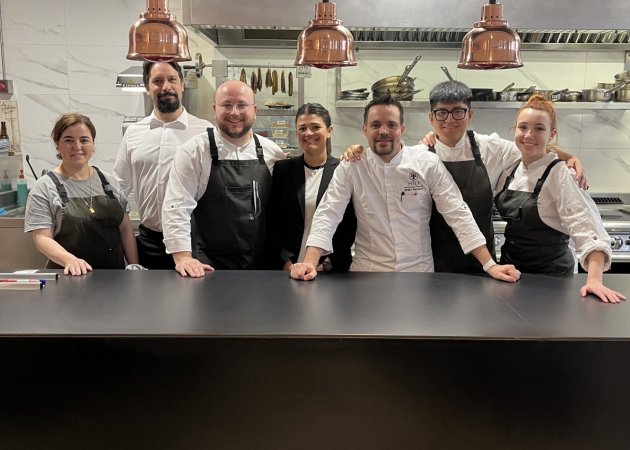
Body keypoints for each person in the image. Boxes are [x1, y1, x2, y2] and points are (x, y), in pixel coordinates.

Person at [343, 80, 585, 274]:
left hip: (481, 260)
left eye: (458, 112)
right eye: (442, 113)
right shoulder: (419, 155)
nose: (450, 119)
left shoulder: (491, 148)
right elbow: (385, 160)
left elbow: (531, 147)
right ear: (431, 118)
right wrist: (357, 151)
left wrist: (569, 156)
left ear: (470, 115)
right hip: (434, 262)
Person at [290, 94, 520, 282]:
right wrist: (309, 262)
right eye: (375, 125)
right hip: (367, 274)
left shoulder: (426, 163)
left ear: (402, 128)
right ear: (365, 129)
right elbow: (328, 213)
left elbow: (457, 212)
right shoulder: (352, 166)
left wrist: (490, 264)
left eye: (391, 125)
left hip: (418, 273)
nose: (383, 131)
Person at [494, 95, 625, 303]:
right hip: (513, 274)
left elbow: (590, 230)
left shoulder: (562, 174)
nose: (529, 135)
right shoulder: (511, 167)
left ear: (552, 134)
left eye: (539, 128)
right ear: (514, 130)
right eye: (523, 127)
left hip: (553, 280)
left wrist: (594, 280)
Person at [162, 80, 286, 277]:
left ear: (254, 110)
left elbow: (283, 213)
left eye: (242, 105)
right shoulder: (193, 152)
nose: (234, 113)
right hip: (208, 269)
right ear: (215, 109)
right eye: (227, 105)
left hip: (262, 268)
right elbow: (176, 207)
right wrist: (183, 257)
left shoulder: (273, 153)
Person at [113, 61, 212, 269]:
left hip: (195, 241)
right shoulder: (133, 133)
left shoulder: (205, 131)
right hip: (150, 241)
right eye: (157, 81)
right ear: (147, 88)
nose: (166, 86)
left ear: (182, 85)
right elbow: (119, 189)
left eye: (172, 79)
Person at [24, 113, 138, 275]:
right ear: (57, 145)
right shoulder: (44, 187)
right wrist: (70, 260)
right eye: (69, 140)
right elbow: (42, 238)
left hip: (114, 278)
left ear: (93, 144)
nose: (77, 146)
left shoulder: (109, 181)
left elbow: (125, 228)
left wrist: (135, 267)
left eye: (84, 140)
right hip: (69, 278)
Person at [267, 103, 356, 272]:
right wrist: (287, 264)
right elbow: (273, 223)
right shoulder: (283, 170)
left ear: (329, 131)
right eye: (302, 128)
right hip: (288, 269)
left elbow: (349, 225)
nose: (308, 133)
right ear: (296, 133)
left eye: (315, 127)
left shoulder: (342, 170)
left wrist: (326, 264)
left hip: (330, 271)